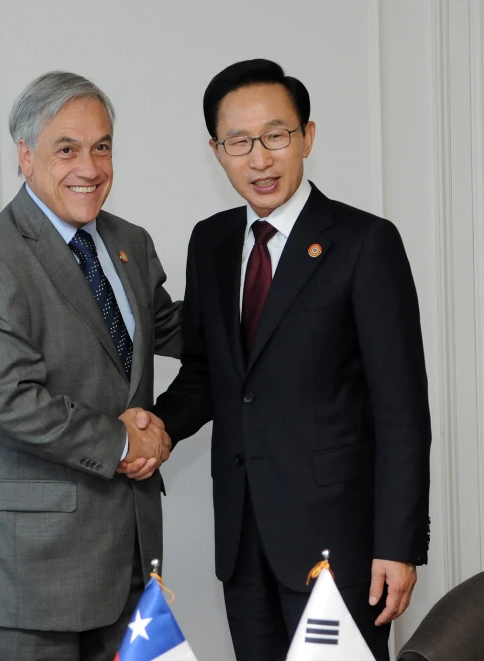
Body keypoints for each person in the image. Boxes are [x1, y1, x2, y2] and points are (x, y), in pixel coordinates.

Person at [138, 59, 431, 661]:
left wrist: (398, 546)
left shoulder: (364, 243)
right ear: (217, 151)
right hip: (244, 541)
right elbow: (207, 373)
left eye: (276, 135)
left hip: (340, 548)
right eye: (239, 142)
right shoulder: (211, 241)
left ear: (308, 136)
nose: (260, 159)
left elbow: (401, 410)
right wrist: (155, 430)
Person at [0, 71, 181, 661]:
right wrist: (123, 441)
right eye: (66, 149)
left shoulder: (131, 243)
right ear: (25, 156)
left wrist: (269, 292)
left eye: (102, 146)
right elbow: (7, 401)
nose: (90, 167)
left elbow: (174, 332)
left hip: (126, 556)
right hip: (30, 571)